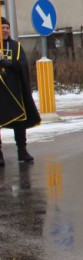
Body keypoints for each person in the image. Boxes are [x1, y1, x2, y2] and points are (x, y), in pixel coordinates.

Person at [0, 16, 40, 164]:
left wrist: (10, 64)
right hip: (0, 93)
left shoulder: (15, 46)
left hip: (15, 92)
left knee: (19, 123)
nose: (5, 31)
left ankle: (22, 151)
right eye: (2, 28)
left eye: (6, 28)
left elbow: (23, 65)